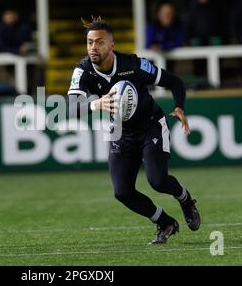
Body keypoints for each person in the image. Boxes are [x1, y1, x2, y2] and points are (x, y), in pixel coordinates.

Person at [67, 17, 201, 244]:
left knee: (158, 181)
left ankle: (186, 199)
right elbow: (71, 108)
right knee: (122, 192)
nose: (93, 48)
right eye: (89, 42)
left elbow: (175, 82)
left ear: (112, 45)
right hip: (120, 132)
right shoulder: (83, 71)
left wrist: (179, 107)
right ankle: (165, 222)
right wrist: (95, 104)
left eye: (99, 42)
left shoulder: (133, 64)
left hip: (150, 126)